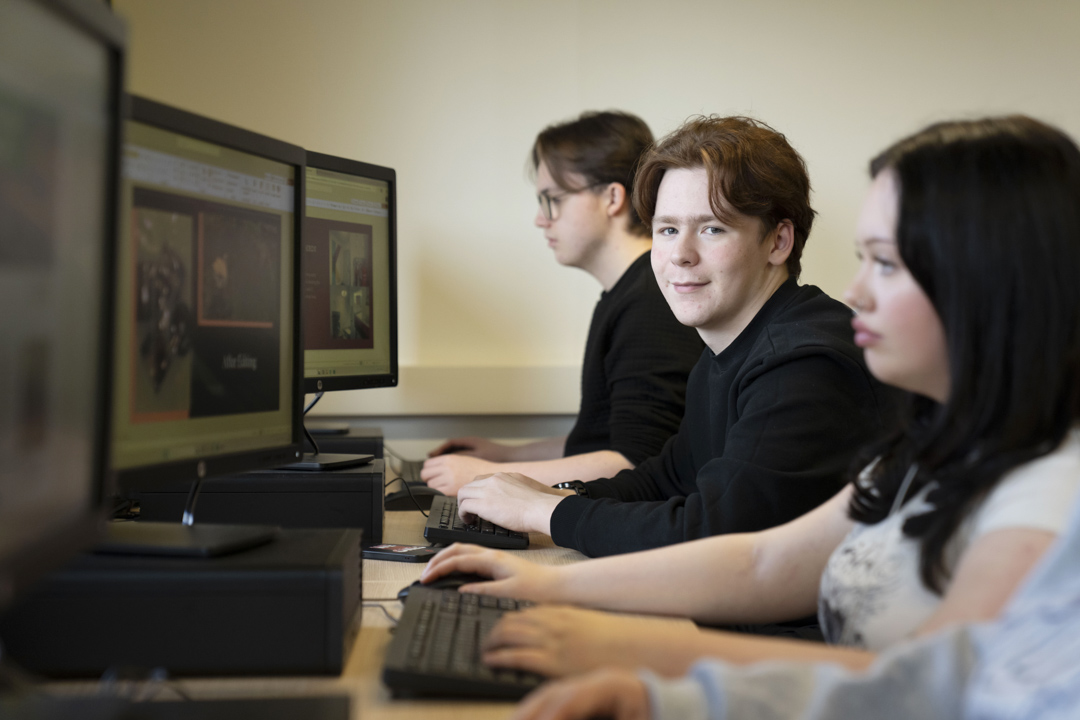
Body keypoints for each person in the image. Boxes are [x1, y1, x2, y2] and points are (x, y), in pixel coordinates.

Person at [422, 116, 1080, 690]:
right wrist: (541, 576)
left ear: (986, 281)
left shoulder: (1046, 488)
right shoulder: (935, 436)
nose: (858, 291)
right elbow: (757, 554)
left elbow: (932, 690)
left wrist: (635, 634)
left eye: (886, 263)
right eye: (667, 228)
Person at [452, 116, 896, 557]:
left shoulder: (802, 364)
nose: (680, 255)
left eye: (712, 228)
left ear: (778, 242)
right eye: (667, 229)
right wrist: (549, 496)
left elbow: (712, 537)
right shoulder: (726, 349)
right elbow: (663, 480)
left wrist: (545, 513)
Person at [421, 111, 703, 496]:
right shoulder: (629, 293)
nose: (541, 219)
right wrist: (504, 456)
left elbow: (635, 460)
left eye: (552, 200)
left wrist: (484, 478)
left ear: (611, 197)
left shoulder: (651, 303)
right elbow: (601, 441)